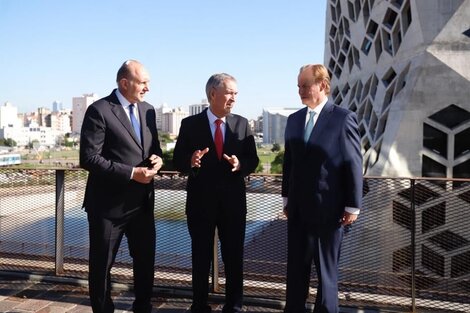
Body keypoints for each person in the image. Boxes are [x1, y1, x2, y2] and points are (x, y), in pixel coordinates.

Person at [80, 59, 163, 313]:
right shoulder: (99, 110)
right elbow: (89, 158)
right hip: (108, 207)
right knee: (102, 267)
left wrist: (158, 159)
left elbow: (153, 149)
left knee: (145, 264)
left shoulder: (148, 110)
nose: (148, 88)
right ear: (124, 83)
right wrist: (131, 173)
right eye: (143, 82)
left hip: (142, 204)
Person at [173, 73, 259, 313]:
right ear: (213, 94)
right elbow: (177, 160)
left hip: (233, 203)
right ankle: (199, 305)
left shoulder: (242, 124)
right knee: (200, 257)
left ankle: (234, 305)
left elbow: (253, 159)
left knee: (234, 257)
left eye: (236, 93)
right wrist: (190, 159)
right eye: (230, 92)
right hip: (200, 203)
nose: (234, 98)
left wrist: (240, 164)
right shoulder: (189, 124)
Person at [282, 64, 363, 313]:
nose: (300, 91)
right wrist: (285, 197)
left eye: (305, 85)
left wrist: (353, 205)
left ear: (323, 85)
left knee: (326, 277)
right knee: (295, 273)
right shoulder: (294, 120)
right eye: (298, 86)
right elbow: (290, 164)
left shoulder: (342, 118)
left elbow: (353, 163)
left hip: (329, 212)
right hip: (297, 211)